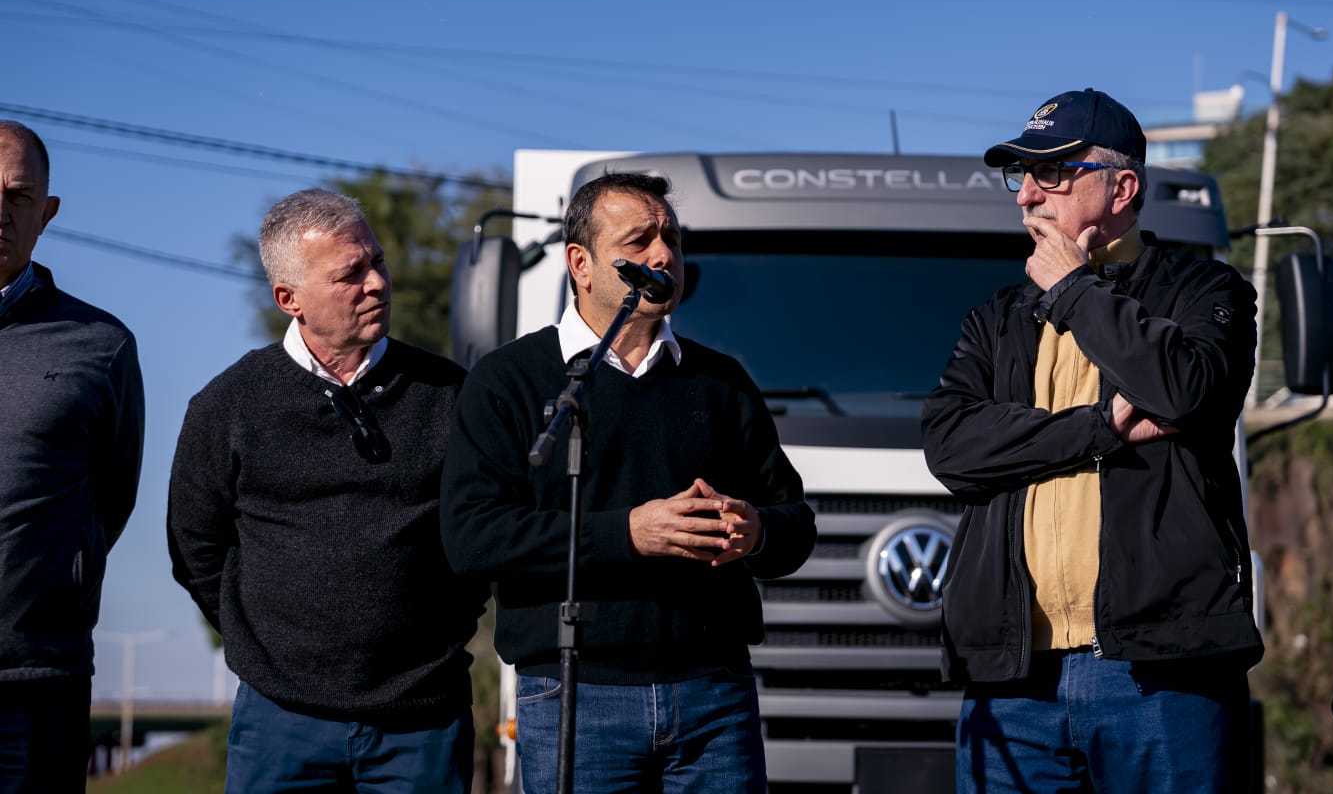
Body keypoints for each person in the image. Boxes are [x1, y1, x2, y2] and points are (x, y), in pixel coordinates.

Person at [922, 89, 1263, 793]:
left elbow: (1184, 391)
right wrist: (1100, 427)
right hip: (1015, 679)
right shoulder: (997, 318)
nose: (1027, 198)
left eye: (1051, 173)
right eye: (1020, 175)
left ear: (1123, 187)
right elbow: (951, 446)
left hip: (1159, 675)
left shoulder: (1204, 290)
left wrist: (1075, 289)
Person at [441, 171, 816, 794]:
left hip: (714, 695)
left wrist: (755, 532)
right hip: (576, 694)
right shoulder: (510, 380)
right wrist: (629, 533)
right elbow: (472, 537)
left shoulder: (721, 380)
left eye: (671, 237)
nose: (664, 254)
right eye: (639, 240)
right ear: (580, 265)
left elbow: (795, 523)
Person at [167, 188, 485, 794]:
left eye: (378, 262)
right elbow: (195, 547)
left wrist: (436, 640)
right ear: (290, 299)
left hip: (421, 719)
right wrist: (263, 646)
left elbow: (478, 535)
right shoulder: (227, 405)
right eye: (350, 274)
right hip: (280, 721)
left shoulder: (450, 394)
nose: (377, 284)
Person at [0, 120, 145, 791]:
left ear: (47, 213)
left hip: (38, 686)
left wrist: (64, 574)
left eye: (18, 195)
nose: (0, 211)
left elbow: (111, 499)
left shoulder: (101, 345)